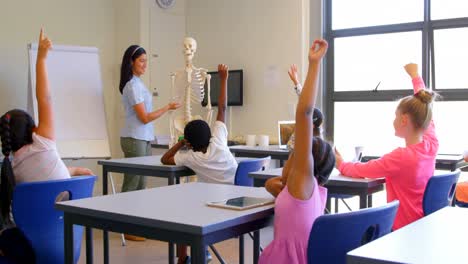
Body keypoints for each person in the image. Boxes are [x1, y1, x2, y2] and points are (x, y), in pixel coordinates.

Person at [335, 63, 438, 230]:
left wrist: (340, 163)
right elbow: (426, 113)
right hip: (422, 225)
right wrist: (415, 77)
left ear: (404, 120)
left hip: (401, 230)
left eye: (395, 116)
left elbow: (363, 170)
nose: (393, 121)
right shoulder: (431, 146)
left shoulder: (400, 157)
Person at [259, 39, 335, 264]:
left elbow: (305, 114)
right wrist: (273, 186)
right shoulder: (312, 193)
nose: (288, 161)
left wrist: (314, 64)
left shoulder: (303, 183)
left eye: (294, 156)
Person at [161, 64, 237, 263]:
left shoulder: (193, 157)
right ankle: (200, 251)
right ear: (210, 134)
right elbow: (222, 107)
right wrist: (224, 79)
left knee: (183, 211)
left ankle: (184, 258)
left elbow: (165, 160)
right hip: (237, 197)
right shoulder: (218, 140)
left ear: (190, 144)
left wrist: (179, 144)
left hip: (216, 205)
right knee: (192, 204)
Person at [118, 45, 180, 241]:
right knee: (132, 182)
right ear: (131, 62)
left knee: (141, 183)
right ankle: (126, 228)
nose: (145, 64)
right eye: (141, 61)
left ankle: (136, 226)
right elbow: (144, 117)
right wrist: (167, 107)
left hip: (143, 138)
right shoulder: (132, 86)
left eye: (146, 61)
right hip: (134, 137)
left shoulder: (139, 83)